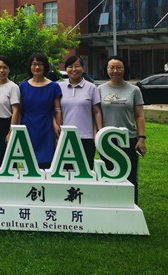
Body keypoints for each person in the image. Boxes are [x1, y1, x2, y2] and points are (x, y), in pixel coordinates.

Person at [98, 55, 147, 204]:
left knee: (130, 176)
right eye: (111, 67)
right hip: (107, 140)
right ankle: (111, 205)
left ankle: (131, 206)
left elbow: (139, 116)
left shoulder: (134, 90)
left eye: (119, 67)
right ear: (107, 70)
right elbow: (96, 114)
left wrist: (141, 138)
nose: (115, 71)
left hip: (128, 139)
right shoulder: (99, 89)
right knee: (109, 174)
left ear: (124, 69)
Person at [17, 52, 62, 170]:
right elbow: (19, 111)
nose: (37, 67)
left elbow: (57, 110)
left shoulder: (54, 86)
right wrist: (16, 130)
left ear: (45, 66)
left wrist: (58, 129)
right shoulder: (22, 86)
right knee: (28, 165)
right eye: (34, 64)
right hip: (28, 129)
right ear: (30, 66)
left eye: (40, 64)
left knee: (47, 165)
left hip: (47, 129)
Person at [58, 55, 102, 167]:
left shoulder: (91, 87)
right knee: (66, 171)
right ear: (66, 69)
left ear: (83, 68)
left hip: (86, 137)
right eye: (70, 66)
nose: (74, 69)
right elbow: (56, 111)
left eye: (77, 66)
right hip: (65, 137)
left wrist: (99, 132)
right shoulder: (59, 87)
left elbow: (97, 111)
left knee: (85, 170)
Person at [0, 55, 21, 168]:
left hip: (5, 125)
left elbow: (16, 111)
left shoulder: (13, 87)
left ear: (9, 69)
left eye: (4, 67)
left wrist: (11, 131)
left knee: (5, 159)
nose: (1, 70)